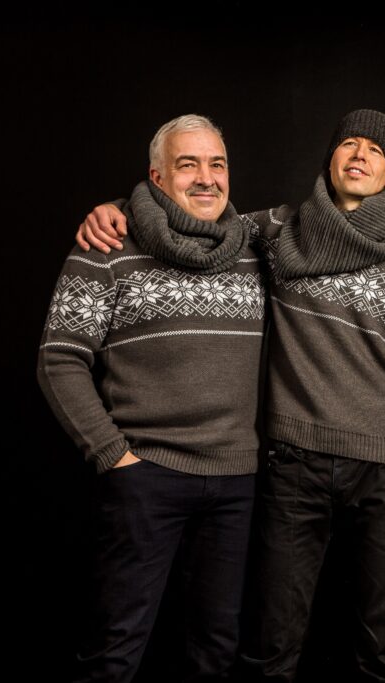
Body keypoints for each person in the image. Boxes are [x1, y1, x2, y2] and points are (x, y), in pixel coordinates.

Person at [75, 109, 385, 682]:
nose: (360, 156)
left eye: (376, 151)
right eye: (349, 143)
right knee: (270, 647)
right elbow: (193, 212)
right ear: (330, 157)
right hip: (292, 463)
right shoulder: (275, 231)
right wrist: (117, 208)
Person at [37, 113, 263, 682]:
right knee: (116, 649)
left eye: (217, 164)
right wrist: (114, 456)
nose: (207, 178)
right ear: (157, 179)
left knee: (215, 650)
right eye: (188, 165)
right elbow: (59, 358)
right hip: (146, 474)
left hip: (236, 481)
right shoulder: (108, 246)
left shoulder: (254, 244)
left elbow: (333, 225)